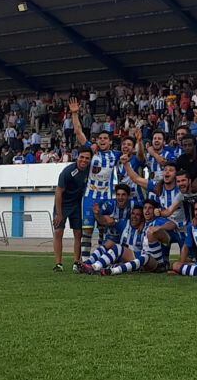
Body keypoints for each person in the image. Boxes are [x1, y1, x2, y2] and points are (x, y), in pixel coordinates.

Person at [68, 97, 122, 268]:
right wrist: (75, 114)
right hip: (90, 197)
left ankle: (100, 261)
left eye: (106, 138)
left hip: (107, 197)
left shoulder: (116, 155)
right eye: (100, 139)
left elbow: (132, 154)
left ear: (110, 141)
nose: (102, 141)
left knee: (104, 230)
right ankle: (84, 261)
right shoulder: (92, 151)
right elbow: (78, 132)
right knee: (87, 231)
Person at [52, 147, 92, 272]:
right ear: (77, 157)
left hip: (76, 205)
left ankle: (77, 262)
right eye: (82, 157)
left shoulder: (89, 171)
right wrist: (59, 214)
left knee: (78, 233)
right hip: (62, 205)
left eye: (87, 158)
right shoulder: (68, 172)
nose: (84, 160)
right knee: (58, 232)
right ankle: (58, 264)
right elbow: (58, 192)